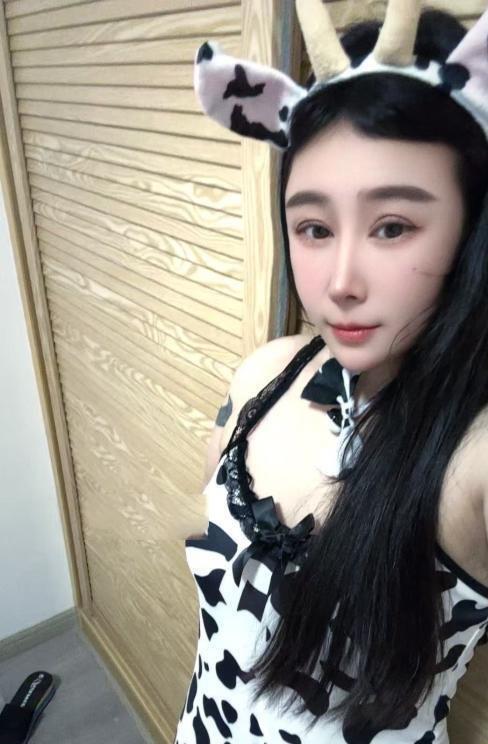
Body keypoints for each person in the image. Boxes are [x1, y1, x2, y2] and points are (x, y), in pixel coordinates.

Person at [174, 2, 488, 742]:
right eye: (314, 228)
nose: (341, 282)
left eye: (392, 226)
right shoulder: (263, 375)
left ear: (471, 230)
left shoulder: (475, 457)